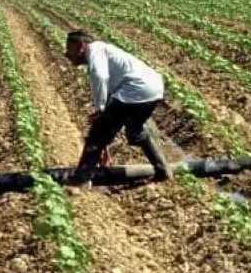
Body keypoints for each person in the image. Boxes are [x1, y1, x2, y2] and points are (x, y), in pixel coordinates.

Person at [64, 29, 172, 183]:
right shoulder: (102, 51)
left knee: (98, 134)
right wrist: (104, 109)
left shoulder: (94, 51)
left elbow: (100, 76)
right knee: (135, 131)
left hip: (135, 89)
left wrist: (101, 110)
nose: (67, 54)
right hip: (153, 88)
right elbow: (110, 86)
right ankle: (163, 170)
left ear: (81, 45)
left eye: (69, 49)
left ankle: (81, 179)